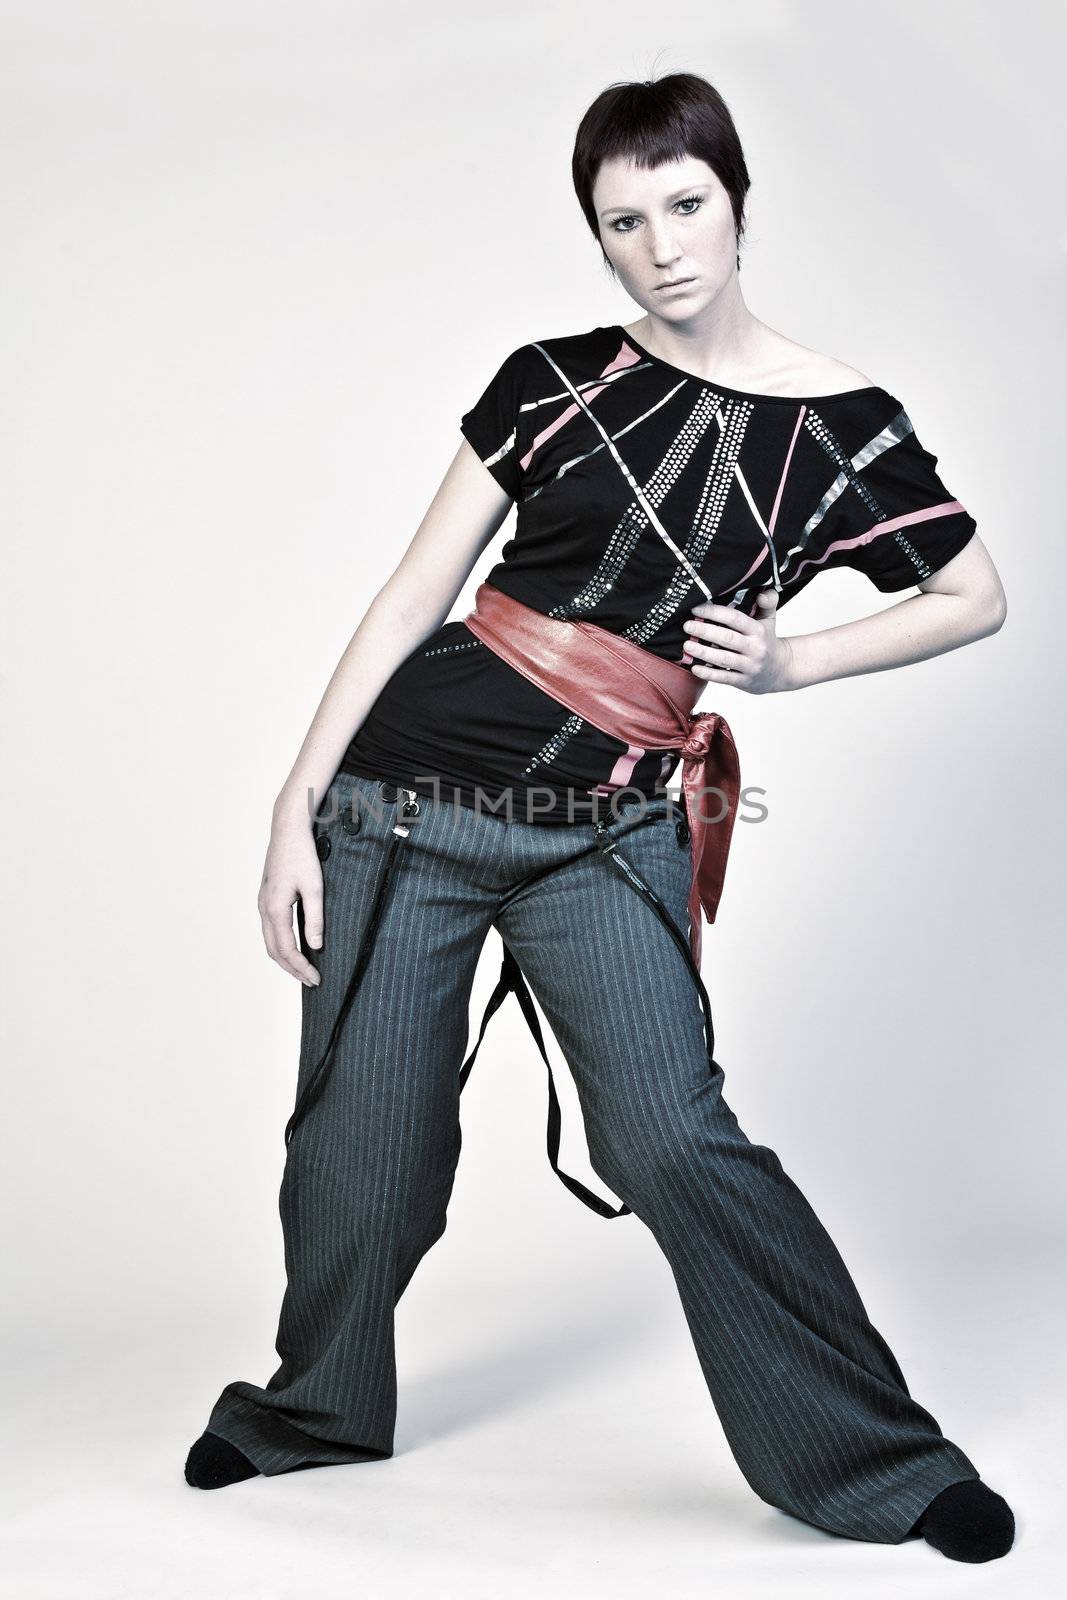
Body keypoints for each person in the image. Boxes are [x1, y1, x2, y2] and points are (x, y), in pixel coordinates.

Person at [184, 71, 1015, 1563]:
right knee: (361, 1144)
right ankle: (308, 1408)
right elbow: (410, 595)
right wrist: (291, 812)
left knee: (675, 1138)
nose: (660, 247)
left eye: (684, 205)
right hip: (404, 803)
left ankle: (877, 1463)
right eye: (622, 221)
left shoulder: (845, 426)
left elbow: (977, 595)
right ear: (600, 238)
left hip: (608, 828)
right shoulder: (551, 379)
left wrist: (792, 658)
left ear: (739, 203)